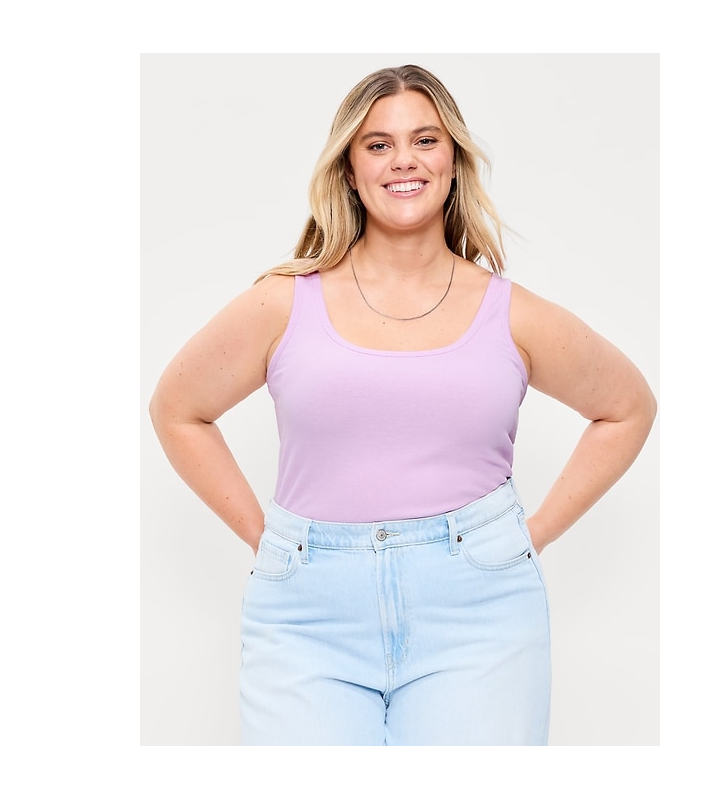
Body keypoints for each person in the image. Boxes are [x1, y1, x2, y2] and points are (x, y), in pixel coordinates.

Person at [149, 63, 657, 747]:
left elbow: (627, 406)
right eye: (378, 144)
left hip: (478, 616)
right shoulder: (283, 302)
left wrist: (526, 538)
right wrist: (272, 540)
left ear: (453, 161)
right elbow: (178, 408)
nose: (404, 160)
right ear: (349, 170)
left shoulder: (513, 313)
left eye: (425, 140)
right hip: (306, 621)